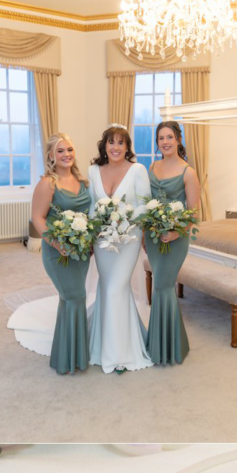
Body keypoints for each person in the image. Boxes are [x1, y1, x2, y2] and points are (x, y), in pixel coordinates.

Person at [86, 124, 153, 374]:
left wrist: (122, 216)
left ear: (127, 147)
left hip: (128, 239)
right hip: (102, 240)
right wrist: (99, 223)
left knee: (117, 287)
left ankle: (119, 356)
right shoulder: (93, 170)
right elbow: (91, 205)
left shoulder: (138, 170)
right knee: (108, 287)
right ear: (104, 146)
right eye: (111, 142)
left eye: (120, 143)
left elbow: (145, 206)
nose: (115, 147)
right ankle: (105, 345)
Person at [30, 133, 92, 374]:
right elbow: (37, 218)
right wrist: (58, 244)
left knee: (72, 299)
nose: (67, 155)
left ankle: (67, 354)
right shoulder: (48, 183)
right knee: (74, 296)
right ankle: (72, 356)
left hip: (80, 252)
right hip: (58, 253)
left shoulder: (82, 181)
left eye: (70, 150)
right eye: (60, 151)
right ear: (50, 156)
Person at [145, 120, 201, 365]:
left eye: (169, 137)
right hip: (154, 236)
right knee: (160, 284)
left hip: (176, 238)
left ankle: (168, 348)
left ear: (178, 139)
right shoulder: (152, 166)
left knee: (163, 286)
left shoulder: (188, 172)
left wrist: (177, 233)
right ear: (157, 142)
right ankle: (165, 343)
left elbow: (195, 213)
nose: (165, 142)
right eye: (160, 138)